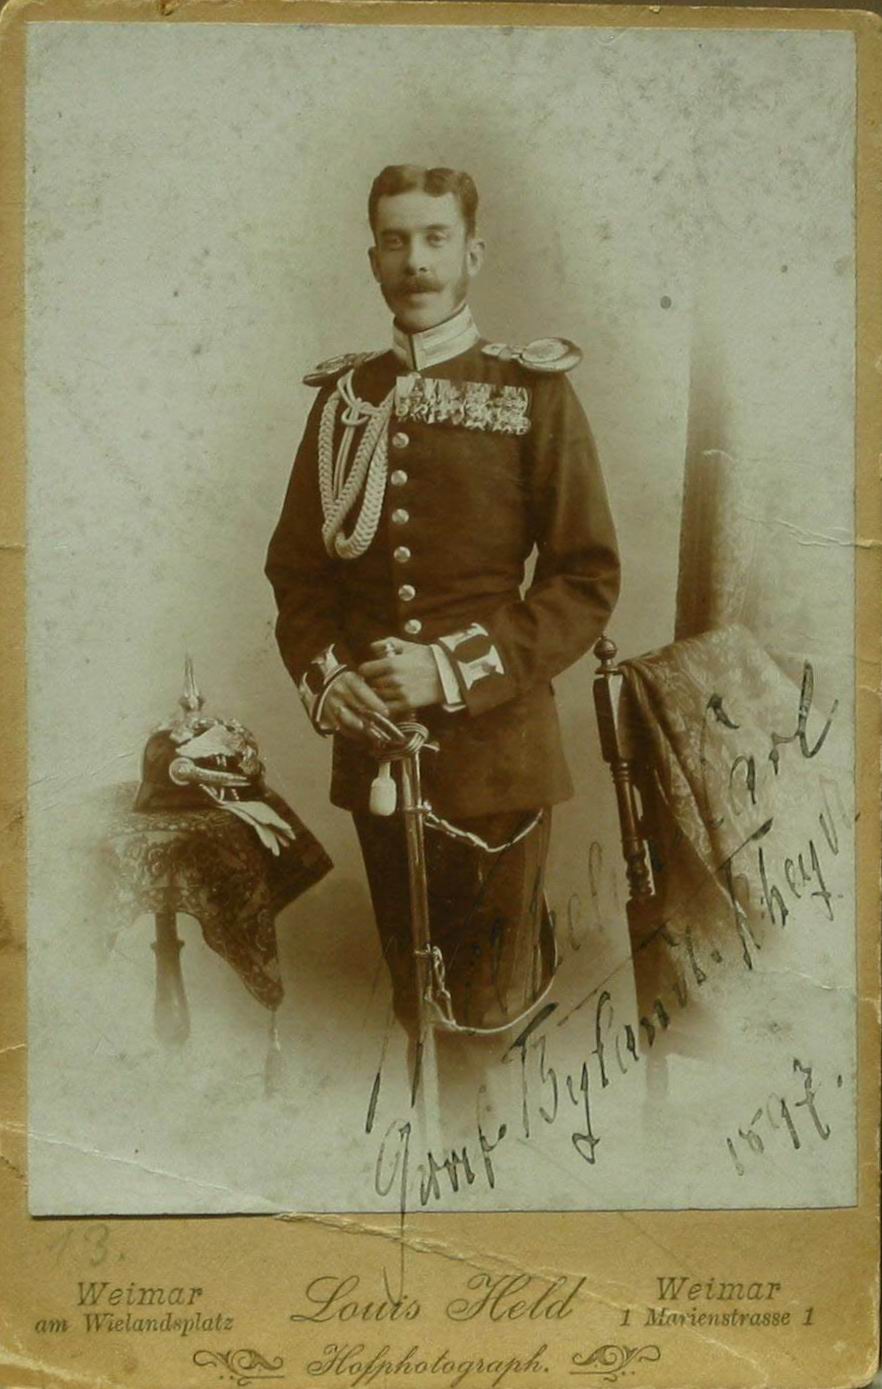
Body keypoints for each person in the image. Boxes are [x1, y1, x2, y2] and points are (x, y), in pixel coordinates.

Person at [265, 164, 620, 1041]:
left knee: (487, 1025)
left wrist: (451, 668)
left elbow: (585, 579)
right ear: (373, 259)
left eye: (435, 239)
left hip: (499, 759)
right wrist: (329, 680)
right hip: (378, 757)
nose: (415, 262)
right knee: (416, 1014)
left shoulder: (532, 392)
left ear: (472, 253)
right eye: (395, 241)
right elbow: (298, 576)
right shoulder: (345, 403)